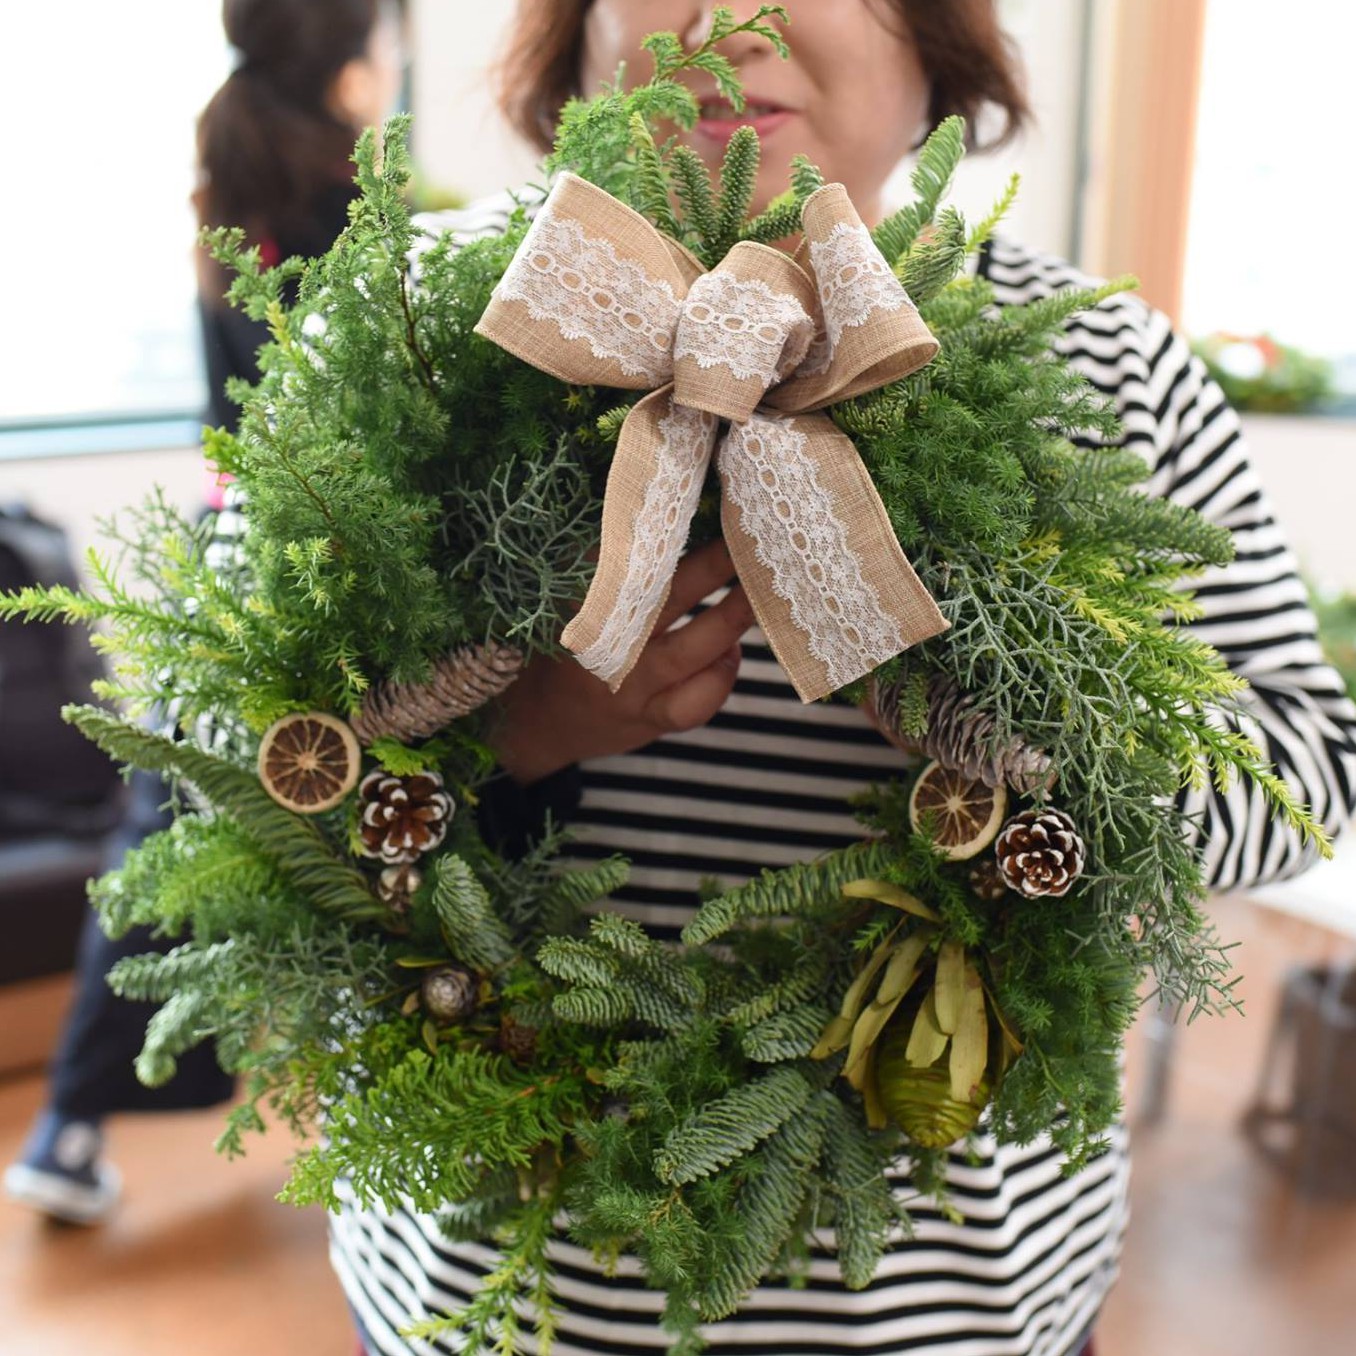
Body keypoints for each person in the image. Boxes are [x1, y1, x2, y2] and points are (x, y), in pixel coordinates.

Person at [328, 5, 1356, 1355]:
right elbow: (208, 750)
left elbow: (1310, 767)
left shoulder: (1103, 370)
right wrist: (504, 734)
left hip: (962, 1312)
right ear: (572, 34)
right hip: (485, 1303)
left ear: (937, 41)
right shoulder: (417, 333)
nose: (731, 22)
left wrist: (1040, 747)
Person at [3, 0, 406, 1228]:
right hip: (330, 556)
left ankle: (72, 1127)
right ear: (348, 55)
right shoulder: (351, 204)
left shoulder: (234, 172)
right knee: (378, 821)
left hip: (227, 543)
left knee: (167, 828)